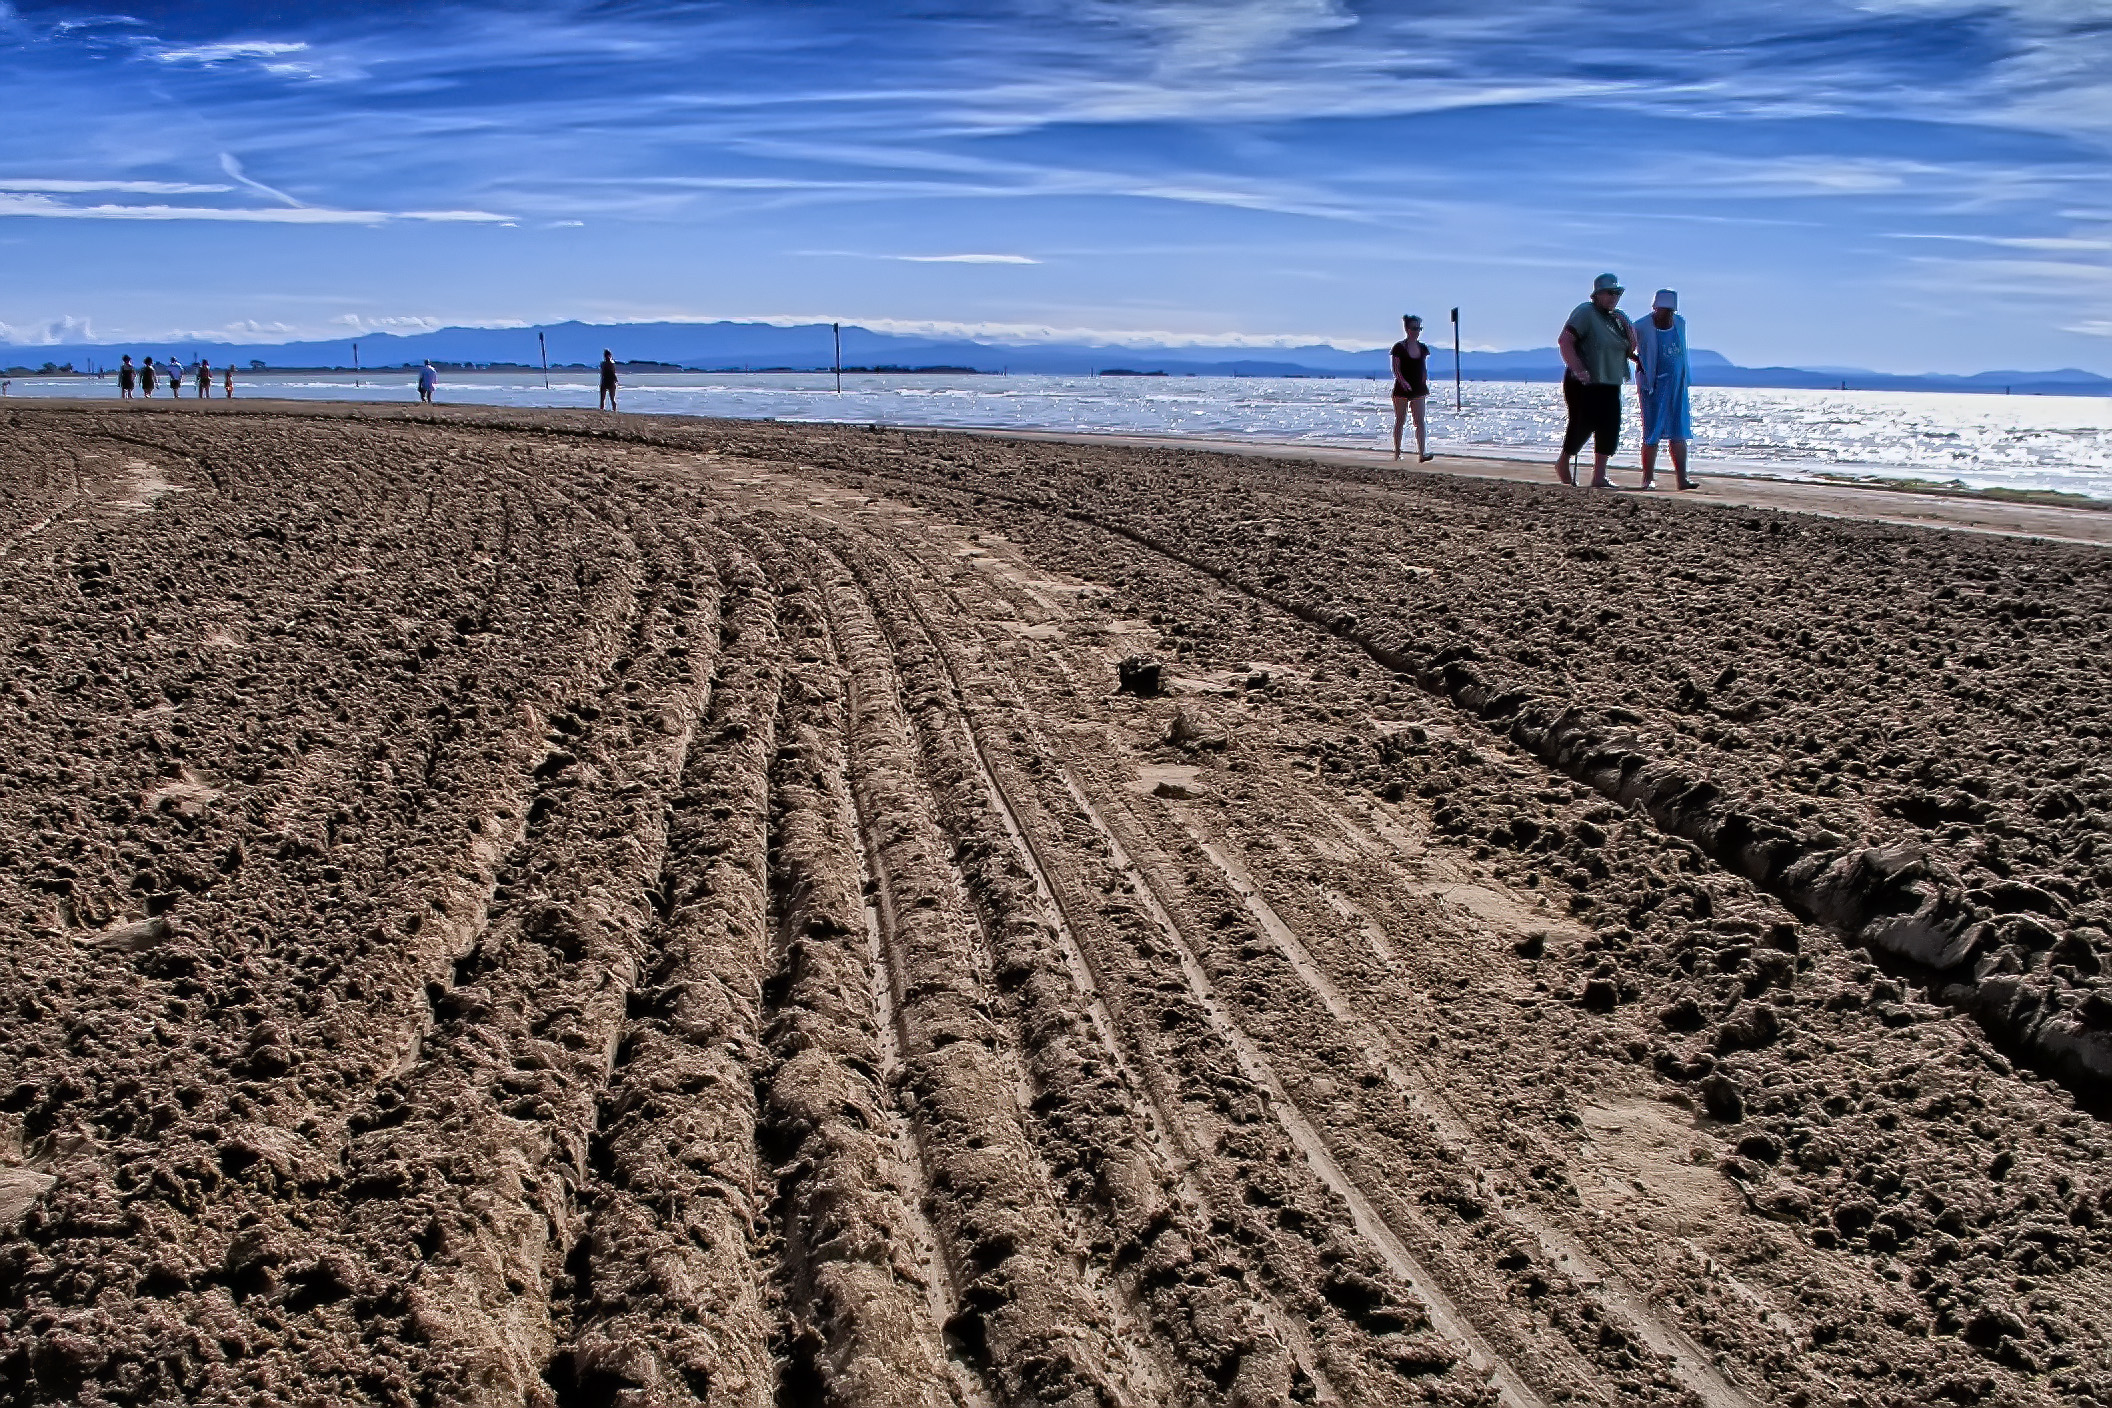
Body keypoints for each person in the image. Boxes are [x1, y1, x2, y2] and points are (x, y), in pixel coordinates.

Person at [1555, 273, 1636, 488]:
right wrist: (1579, 369)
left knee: (1610, 426)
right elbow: (1565, 341)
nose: (1614, 297)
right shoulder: (1586, 312)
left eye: (1617, 293)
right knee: (1583, 423)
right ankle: (1564, 461)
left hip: (1611, 379)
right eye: (1610, 292)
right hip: (1585, 380)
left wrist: (1627, 323)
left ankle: (1599, 475)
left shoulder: (1615, 319)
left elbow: (1630, 348)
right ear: (1597, 295)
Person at [1635, 289, 1695, 490]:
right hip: (1653, 387)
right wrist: (1639, 362)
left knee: (1678, 431)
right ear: (1655, 308)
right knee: (1651, 432)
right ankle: (1647, 478)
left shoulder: (1680, 323)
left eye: (1670, 311)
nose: (1666, 315)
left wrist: (1685, 378)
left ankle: (1682, 478)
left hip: (1677, 386)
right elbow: (1627, 346)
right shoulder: (1642, 326)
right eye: (1663, 310)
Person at [1389, 314, 1434, 462]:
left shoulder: (1422, 348)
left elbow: (1423, 366)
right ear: (1408, 329)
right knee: (1400, 420)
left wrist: (1424, 377)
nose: (1417, 331)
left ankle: (1422, 453)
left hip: (1418, 388)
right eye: (1414, 328)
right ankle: (1397, 452)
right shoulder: (1399, 347)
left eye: (1419, 328)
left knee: (1420, 422)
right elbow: (1396, 369)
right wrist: (1403, 383)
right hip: (1402, 389)